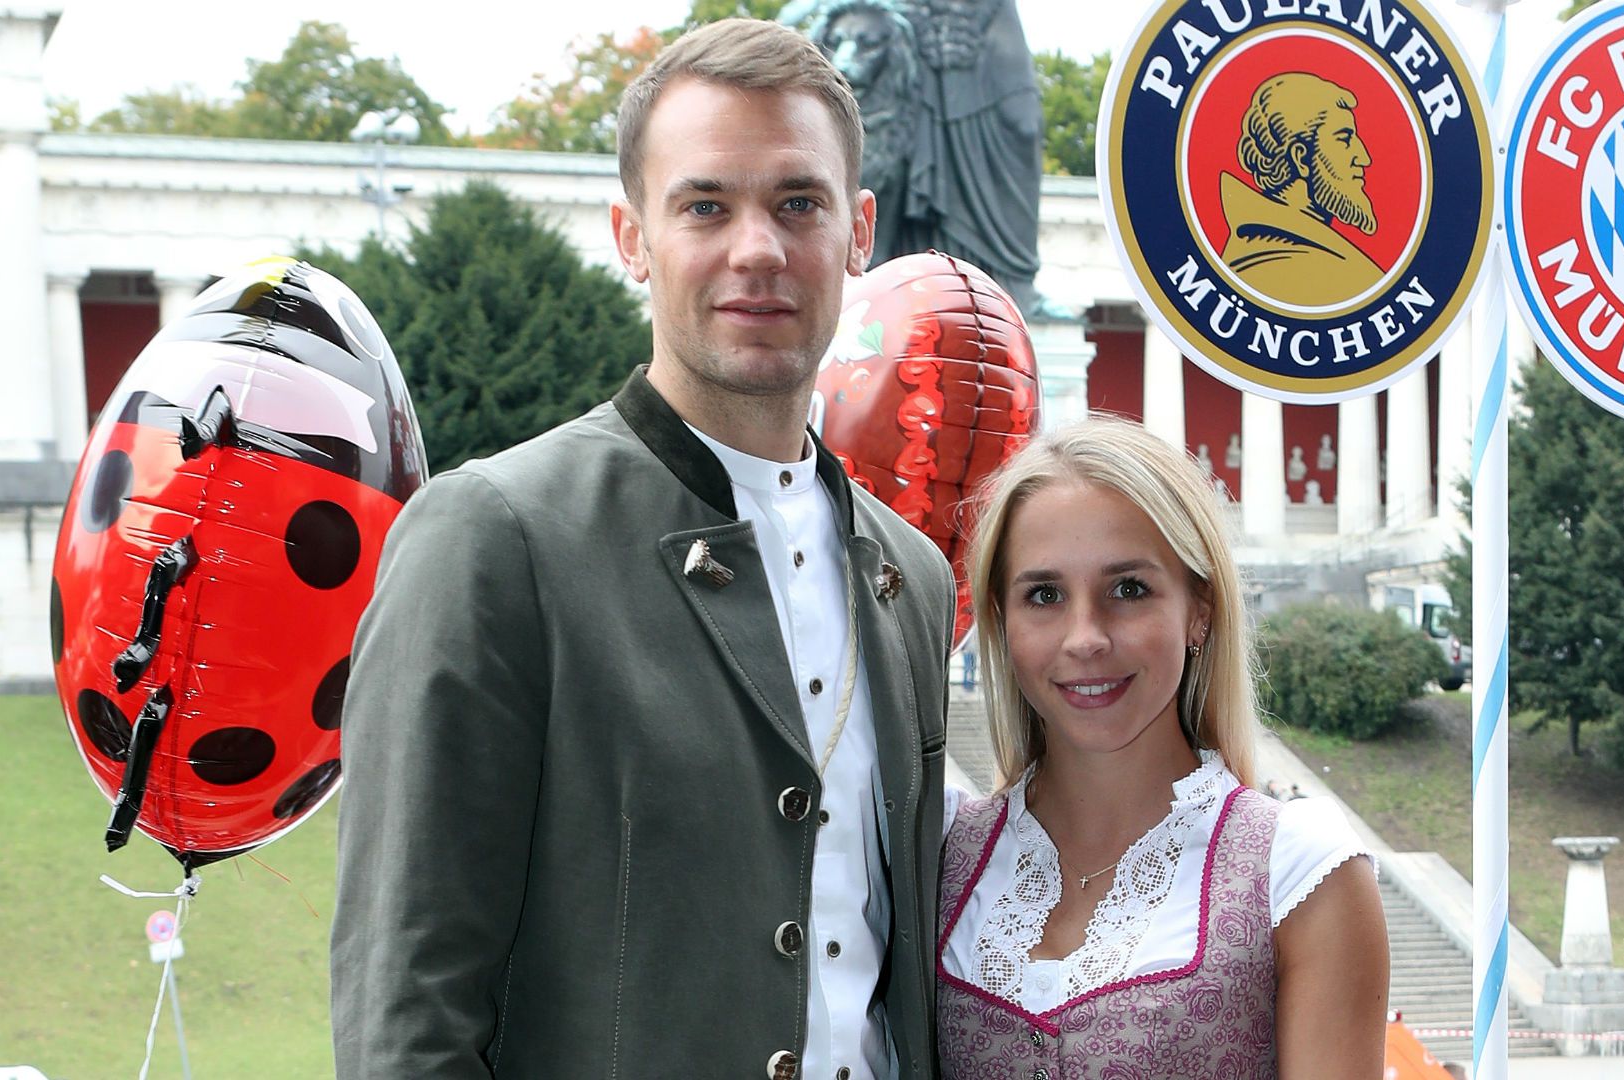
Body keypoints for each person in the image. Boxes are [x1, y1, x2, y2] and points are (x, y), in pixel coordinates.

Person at [329, 19, 956, 1079]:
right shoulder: (493, 538)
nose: (756, 247)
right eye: (705, 204)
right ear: (632, 237)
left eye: (796, 203)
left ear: (858, 233)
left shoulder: (914, 577)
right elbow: (408, 1010)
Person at [935, 416, 1389, 1077]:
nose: (1084, 637)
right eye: (1045, 595)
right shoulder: (940, 851)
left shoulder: (1300, 874)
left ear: (1199, 609)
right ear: (1002, 623)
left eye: (1128, 589)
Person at [1223, 72, 1384, 308]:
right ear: (1301, 158)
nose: (1364, 158)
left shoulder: (1322, 259)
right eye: (1345, 139)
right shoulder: (1274, 264)